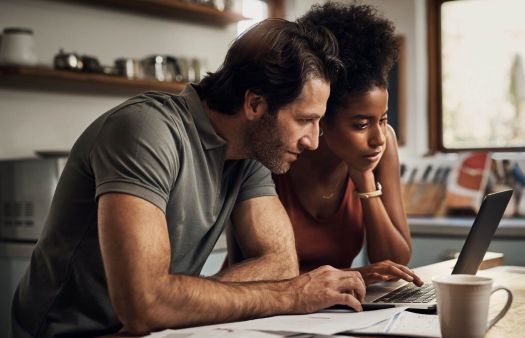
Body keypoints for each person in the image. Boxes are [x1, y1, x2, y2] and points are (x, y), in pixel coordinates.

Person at [11, 19, 367, 338]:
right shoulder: (146, 131)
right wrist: (290, 295)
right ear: (255, 105)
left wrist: (174, 302)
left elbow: (280, 264)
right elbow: (146, 303)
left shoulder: (252, 151)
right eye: (305, 120)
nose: (315, 141)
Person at [227, 3, 423, 287]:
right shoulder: (274, 150)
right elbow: (248, 272)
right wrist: (351, 276)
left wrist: (365, 180)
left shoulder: (381, 147)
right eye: (360, 124)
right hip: (260, 310)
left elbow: (396, 261)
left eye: (383, 119)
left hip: (331, 311)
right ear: (321, 117)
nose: (378, 138)